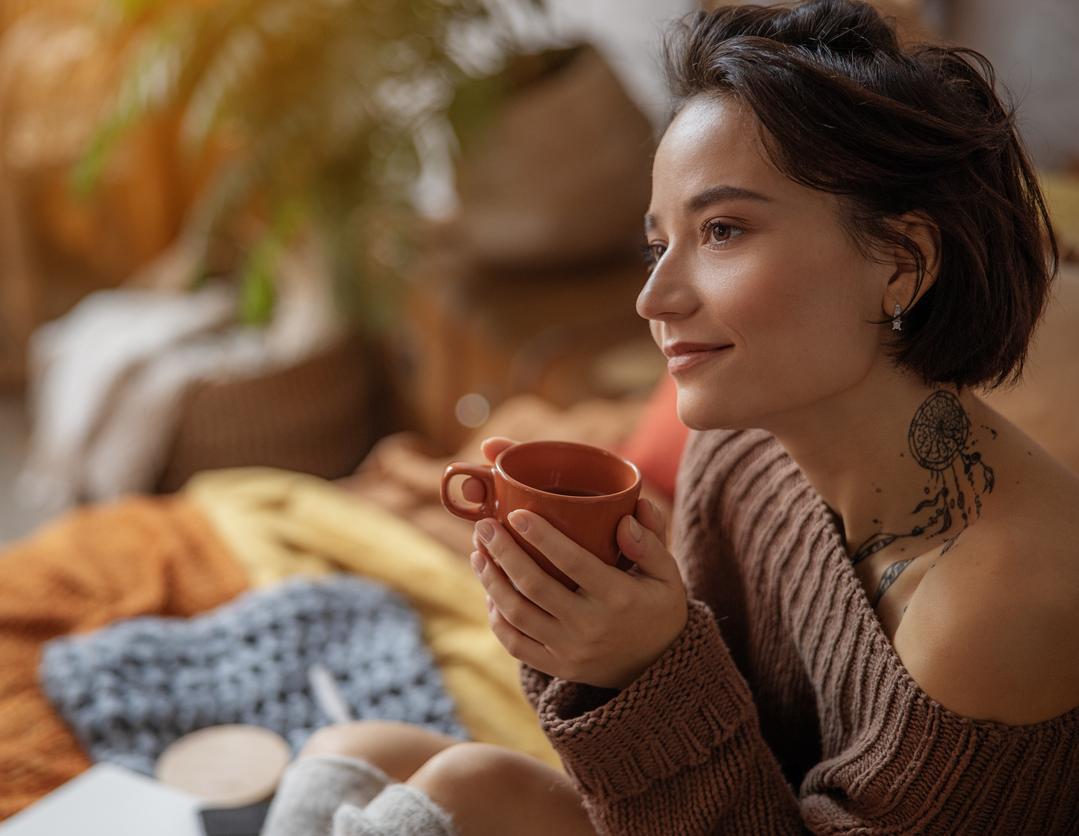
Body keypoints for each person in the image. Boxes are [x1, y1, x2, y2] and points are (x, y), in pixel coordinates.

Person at [259, 1, 1079, 833]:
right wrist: (597, 648)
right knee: (352, 748)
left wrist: (645, 672)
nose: (654, 298)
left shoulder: (999, 604)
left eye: (722, 231)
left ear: (902, 263)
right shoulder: (742, 451)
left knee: (470, 785)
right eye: (659, 245)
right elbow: (729, 746)